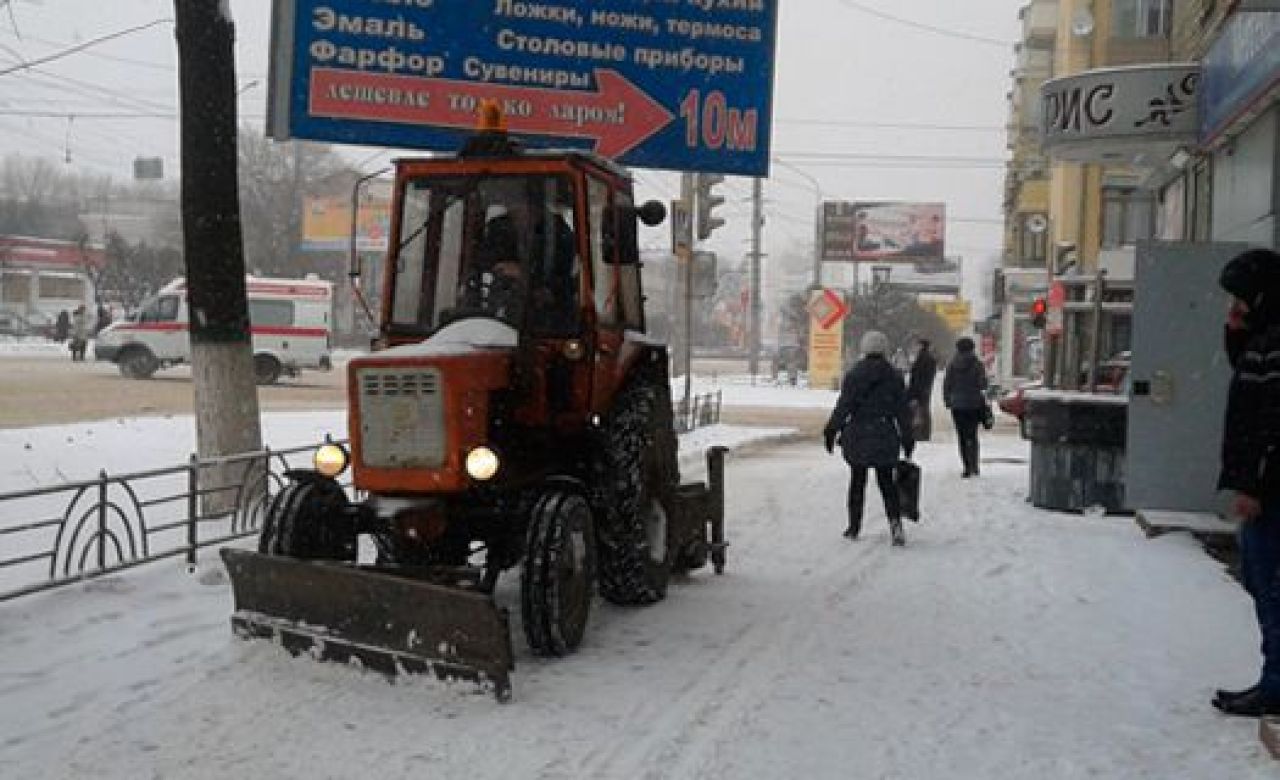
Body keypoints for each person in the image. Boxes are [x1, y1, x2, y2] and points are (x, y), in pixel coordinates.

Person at [1213, 248, 1280, 717]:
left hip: (1273, 494)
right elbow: (1247, 377)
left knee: (1272, 586)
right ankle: (1273, 679)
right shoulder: (1264, 339)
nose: (1234, 307)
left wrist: (1257, 486)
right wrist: (1237, 336)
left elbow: (1271, 421)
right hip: (1266, 490)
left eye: (1240, 297)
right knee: (1262, 583)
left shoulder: (1276, 342)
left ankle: (1276, 686)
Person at [823, 330, 914, 546]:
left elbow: (843, 406)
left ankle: (854, 526)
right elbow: (902, 411)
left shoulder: (854, 375)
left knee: (857, 481)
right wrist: (908, 438)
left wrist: (831, 430)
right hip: (884, 433)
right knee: (887, 483)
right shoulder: (894, 377)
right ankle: (896, 525)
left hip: (859, 433)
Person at [943, 336, 988, 477]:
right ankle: (974, 464)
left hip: (957, 405)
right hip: (973, 404)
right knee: (972, 435)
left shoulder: (952, 364)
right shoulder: (977, 364)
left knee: (962, 436)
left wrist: (948, 400)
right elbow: (983, 384)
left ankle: (966, 466)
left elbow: (947, 384)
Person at [907, 338, 938, 441]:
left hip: (919, 388)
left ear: (922, 346)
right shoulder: (930, 359)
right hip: (926, 388)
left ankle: (920, 433)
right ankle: (924, 433)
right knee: (924, 410)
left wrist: (912, 390)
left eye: (918, 345)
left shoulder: (922, 358)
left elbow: (916, 376)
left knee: (919, 411)